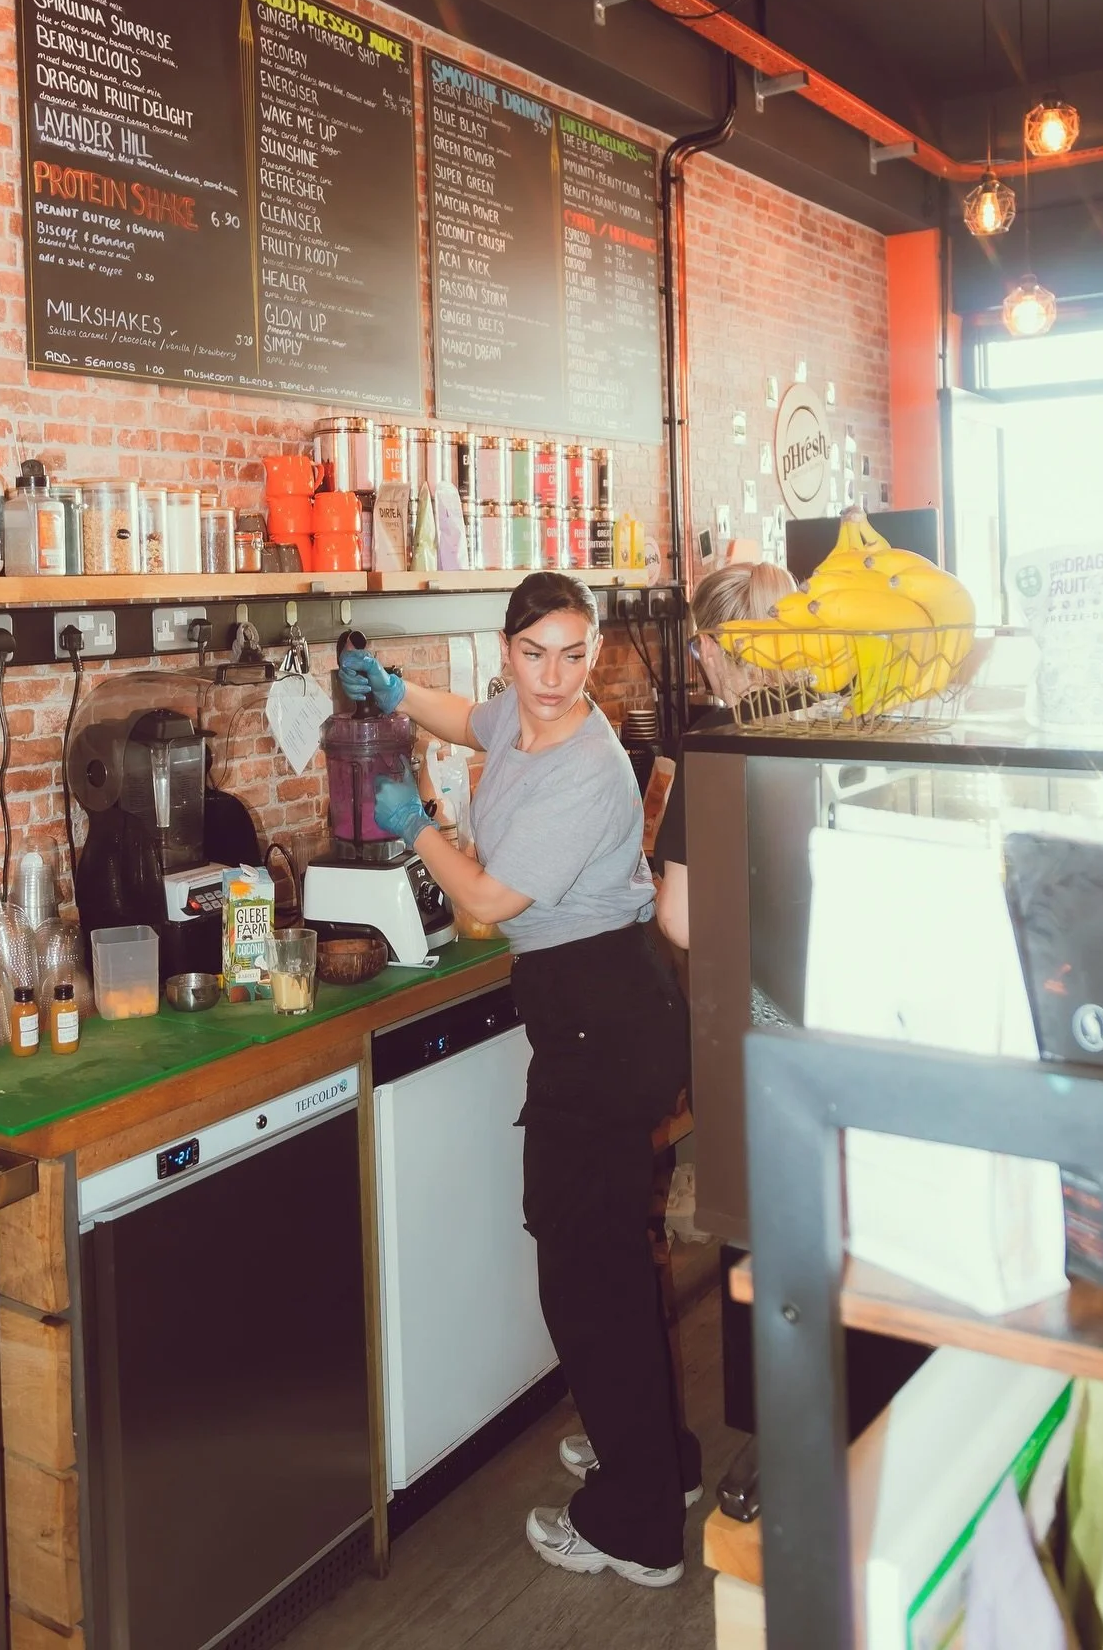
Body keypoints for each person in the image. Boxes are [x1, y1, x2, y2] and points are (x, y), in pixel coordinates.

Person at [339, 572, 697, 1589]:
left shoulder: (585, 761)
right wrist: (396, 690)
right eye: (535, 651)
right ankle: (654, 1462)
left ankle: (636, 1527)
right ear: (507, 648)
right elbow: (473, 718)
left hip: (605, 1017)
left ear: (596, 653)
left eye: (573, 653)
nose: (553, 676)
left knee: (585, 1272)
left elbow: (491, 897)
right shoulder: (525, 718)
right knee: (606, 1260)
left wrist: (416, 827)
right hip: (591, 1012)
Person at [654, 560, 794, 950]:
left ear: (709, 647)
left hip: (750, 979)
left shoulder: (713, 742)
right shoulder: (828, 712)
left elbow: (680, 921)